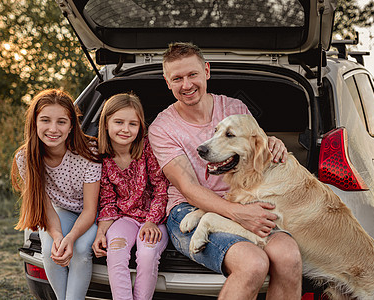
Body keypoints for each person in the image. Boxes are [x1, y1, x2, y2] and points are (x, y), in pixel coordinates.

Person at [148, 42, 302, 299]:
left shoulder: (234, 108)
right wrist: (240, 214)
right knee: (253, 264)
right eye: (177, 78)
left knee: (289, 257)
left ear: (206, 71)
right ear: (167, 82)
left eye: (192, 74)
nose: (186, 85)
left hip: (244, 199)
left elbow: (256, 149)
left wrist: (272, 142)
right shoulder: (162, 127)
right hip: (188, 209)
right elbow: (189, 188)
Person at [11, 89, 102, 300]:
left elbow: (90, 209)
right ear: (34, 122)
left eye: (61, 122)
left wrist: (70, 237)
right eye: (45, 120)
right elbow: (45, 206)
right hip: (60, 211)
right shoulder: (25, 158)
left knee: (79, 250)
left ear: (71, 126)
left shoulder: (89, 152)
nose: (53, 129)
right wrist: (59, 236)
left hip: (93, 213)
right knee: (52, 251)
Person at [92, 93, 169, 300]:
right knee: (116, 252)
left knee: (147, 254)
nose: (126, 129)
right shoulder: (102, 158)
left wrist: (152, 221)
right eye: (119, 122)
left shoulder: (147, 149)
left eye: (132, 124)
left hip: (155, 220)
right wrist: (101, 233)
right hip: (123, 219)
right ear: (106, 124)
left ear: (140, 127)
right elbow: (107, 200)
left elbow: (161, 188)